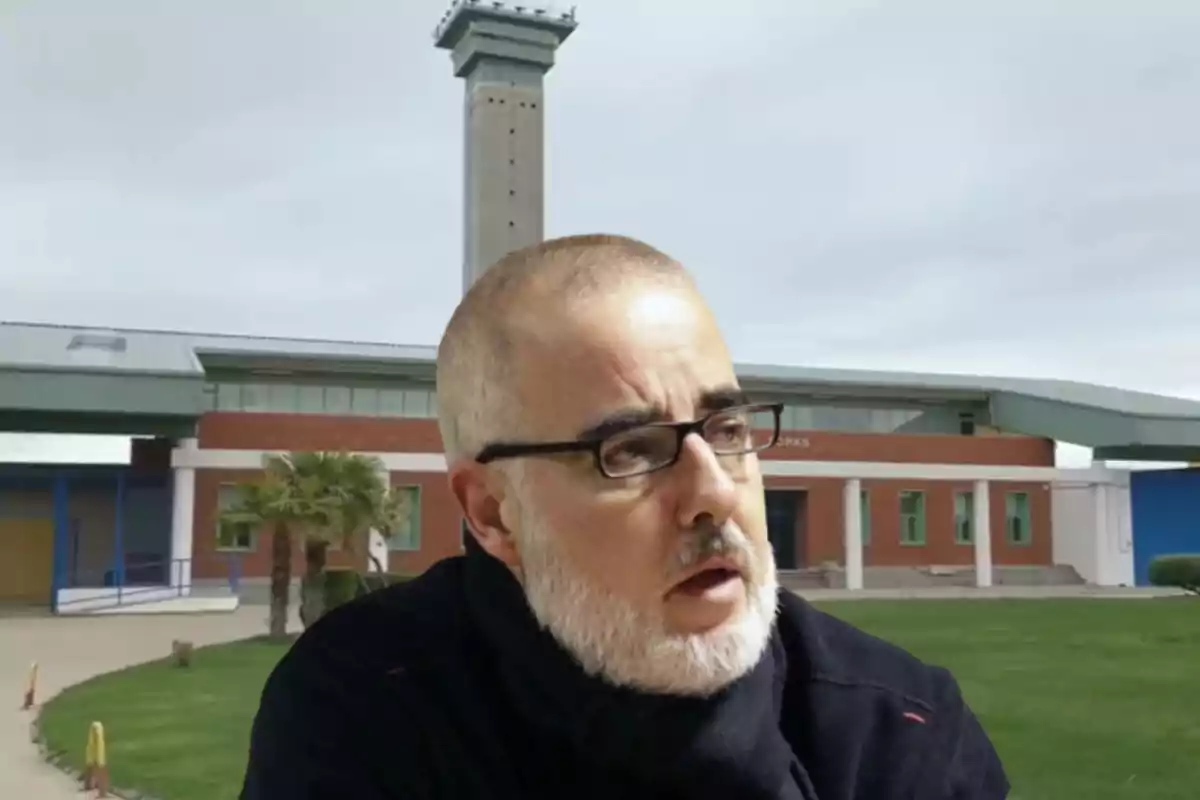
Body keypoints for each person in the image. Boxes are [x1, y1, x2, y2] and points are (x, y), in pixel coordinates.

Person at [239, 234, 1009, 799]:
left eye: (729, 430)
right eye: (632, 450)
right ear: (493, 513)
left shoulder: (895, 728)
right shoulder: (366, 711)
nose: (714, 492)